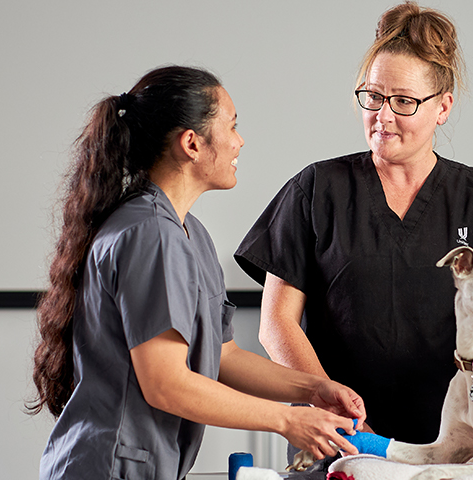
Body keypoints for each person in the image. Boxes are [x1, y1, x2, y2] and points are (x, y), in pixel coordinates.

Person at [29, 66, 366, 480]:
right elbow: (166, 383)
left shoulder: (191, 234)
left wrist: (313, 390)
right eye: (232, 125)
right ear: (191, 143)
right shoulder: (149, 234)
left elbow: (223, 356)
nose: (239, 140)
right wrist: (286, 421)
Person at [235, 2, 473, 446]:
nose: (382, 115)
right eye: (373, 97)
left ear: (443, 107)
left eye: (403, 101)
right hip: (338, 435)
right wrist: (333, 408)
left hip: (458, 439)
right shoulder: (316, 189)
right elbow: (276, 325)